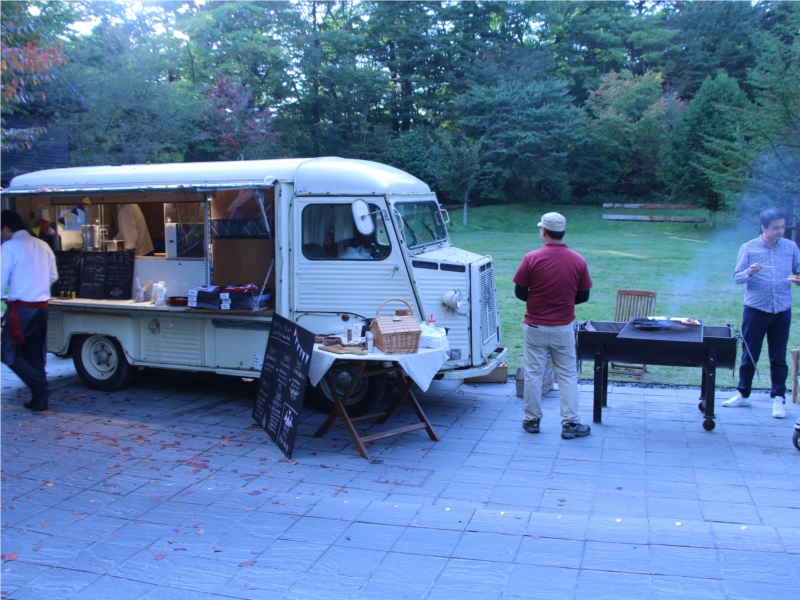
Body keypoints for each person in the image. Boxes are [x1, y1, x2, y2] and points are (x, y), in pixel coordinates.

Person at [513, 212, 593, 439]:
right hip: (562, 328)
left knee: (533, 374)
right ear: (564, 231)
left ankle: (531, 420)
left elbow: (520, 291)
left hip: (535, 326)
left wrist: (539, 301)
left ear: (544, 232)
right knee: (567, 375)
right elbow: (584, 295)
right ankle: (570, 423)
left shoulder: (531, 258)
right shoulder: (578, 260)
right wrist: (564, 301)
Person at [723, 207, 800, 418]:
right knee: (750, 354)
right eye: (775, 228)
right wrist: (749, 271)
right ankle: (743, 394)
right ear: (763, 227)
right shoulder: (749, 248)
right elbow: (737, 277)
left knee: (778, 356)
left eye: (782, 227)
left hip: (782, 309)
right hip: (755, 309)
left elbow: (798, 271)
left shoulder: (791, 247)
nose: (780, 231)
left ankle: (778, 398)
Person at [1, 210, 59, 411]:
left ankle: (40, 386)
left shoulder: (9, 247)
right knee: (34, 353)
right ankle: (39, 400)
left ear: (6, 228)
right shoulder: (42, 245)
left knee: (8, 352)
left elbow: (0, 281)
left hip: (22, 309)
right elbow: (53, 277)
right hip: (41, 307)